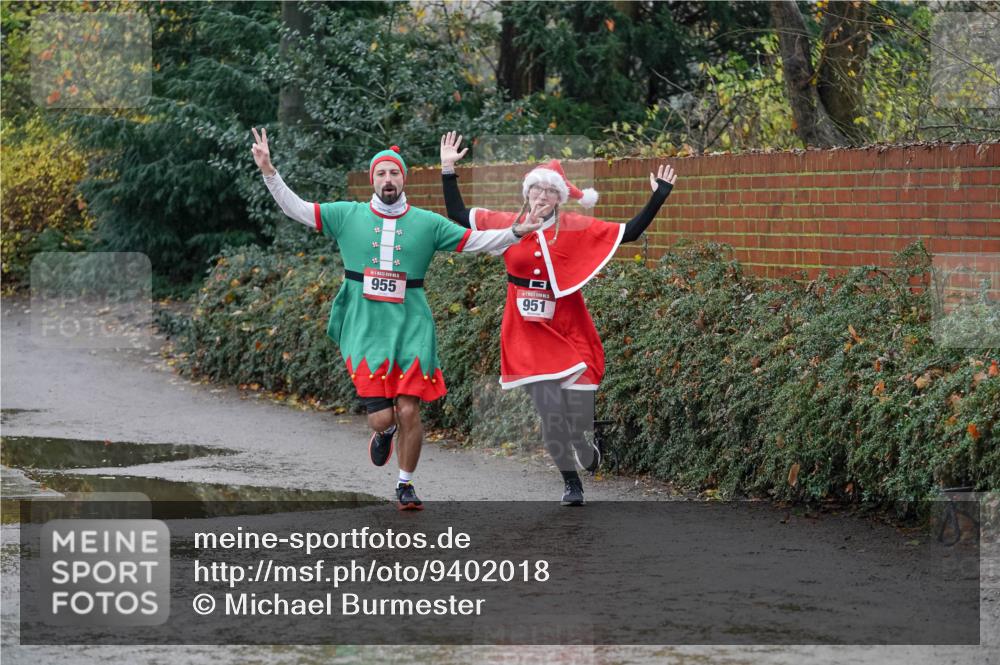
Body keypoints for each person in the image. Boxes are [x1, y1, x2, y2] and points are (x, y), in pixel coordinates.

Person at [251, 128, 543, 510]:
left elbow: (476, 242)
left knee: (410, 408)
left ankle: (405, 485)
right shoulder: (346, 214)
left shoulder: (427, 223)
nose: (388, 180)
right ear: (372, 180)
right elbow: (297, 208)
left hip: (412, 323)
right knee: (383, 418)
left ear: (403, 179)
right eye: (381, 174)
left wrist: (518, 231)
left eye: (394, 174)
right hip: (364, 323)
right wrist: (269, 171)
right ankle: (383, 432)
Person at [439, 131, 677, 506]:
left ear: (559, 198)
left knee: (577, 415)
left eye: (551, 192)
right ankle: (572, 484)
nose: (543, 197)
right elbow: (457, 215)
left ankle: (584, 439)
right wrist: (448, 169)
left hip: (568, 326)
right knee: (550, 413)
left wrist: (658, 195)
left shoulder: (575, 227)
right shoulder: (505, 223)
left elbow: (629, 233)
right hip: (525, 333)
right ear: (527, 193)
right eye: (537, 190)